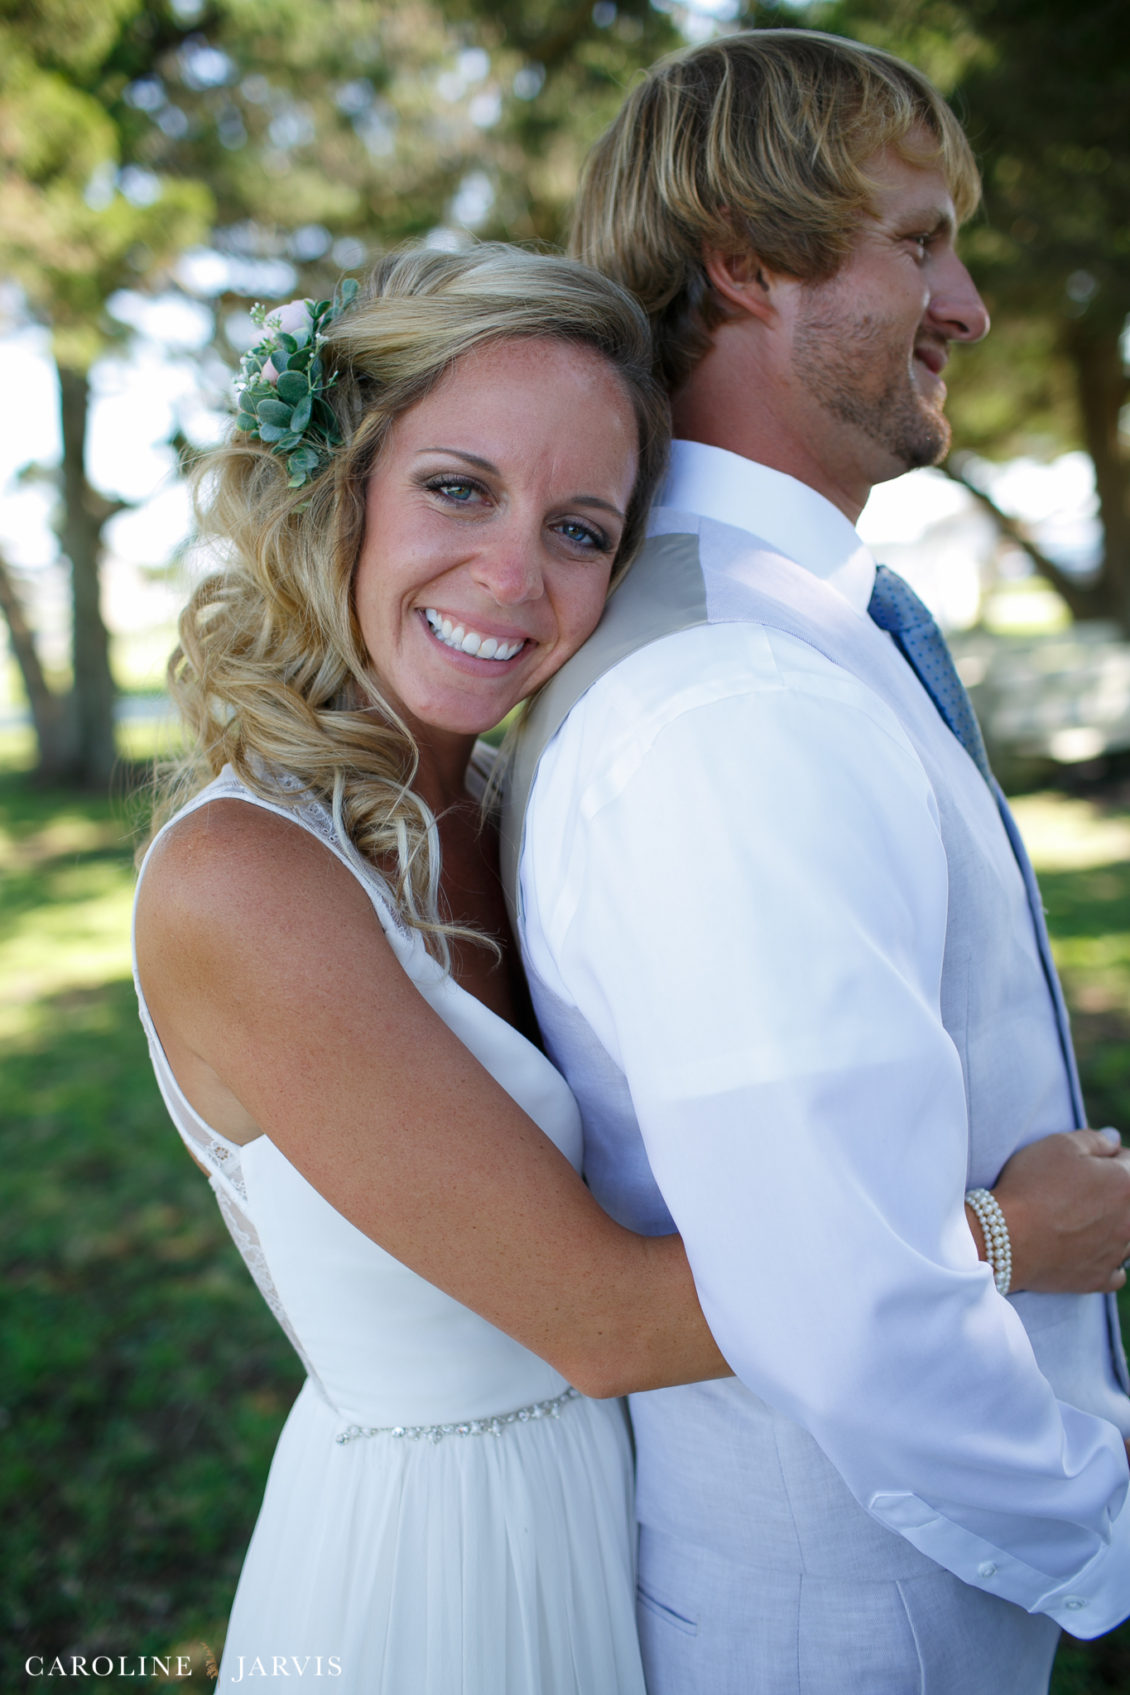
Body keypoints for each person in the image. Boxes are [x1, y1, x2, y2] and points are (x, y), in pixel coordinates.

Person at [501, 30, 1130, 1694]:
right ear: (743, 260)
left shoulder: (778, 636)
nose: (972, 305)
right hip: (851, 1611)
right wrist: (1107, 1539)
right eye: (918, 241)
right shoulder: (731, 699)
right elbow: (846, 1304)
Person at [133, 243, 734, 1694]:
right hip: (438, 1578)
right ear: (339, 485)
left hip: (622, 1526)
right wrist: (996, 1242)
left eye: (581, 528)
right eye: (457, 489)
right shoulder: (247, 880)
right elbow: (606, 1321)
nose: (515, 575)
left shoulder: (518, 808)